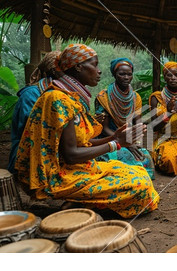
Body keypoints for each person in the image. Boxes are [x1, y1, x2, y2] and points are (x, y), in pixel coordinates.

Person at [15, 44, 159, 218]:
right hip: (62, 175)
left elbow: (83, 143)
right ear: (78, 67)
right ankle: (82, 203)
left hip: (81, 165)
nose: (99, 71)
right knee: (140, 185)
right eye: (95, 65)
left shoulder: (70, 97)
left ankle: (79, 201)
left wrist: (114, 137)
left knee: (139, 171)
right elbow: (71, 155)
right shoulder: (58, 99)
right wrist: (115, 143)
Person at [95, 57, 154, 179]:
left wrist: (135, 142)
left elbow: (138, 124)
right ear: (114, 74)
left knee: (145, 157)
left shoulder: (135, 97)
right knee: (124, 157)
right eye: (122, 74)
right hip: (108, 139)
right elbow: (104, 128)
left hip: (129, 138)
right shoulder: (103, 97)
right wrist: (123, 143)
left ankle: (141, 180)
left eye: (129, 74)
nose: (126, 77)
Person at [8, 51, 61, 173]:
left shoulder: (61, 93)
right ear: (54, 71)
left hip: (52, 151)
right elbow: (35, 131)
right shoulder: (31, 94)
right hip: (28, 155)